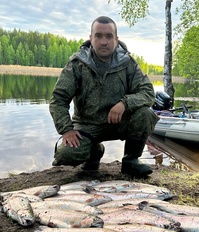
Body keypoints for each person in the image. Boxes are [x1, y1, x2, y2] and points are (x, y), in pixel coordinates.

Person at [49, 16, 159, 178]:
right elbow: (58, 99)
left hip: (119, 122)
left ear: (116, 39)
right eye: (98, 36)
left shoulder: (128, 63)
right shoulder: (77, 64)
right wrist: (66, 130)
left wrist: (124, 104)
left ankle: (130, 162)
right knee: (66, 155)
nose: (103, 41)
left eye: (108, 36)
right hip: (87, 125)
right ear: (91, 38)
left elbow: (148, 92)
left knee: (145, 114)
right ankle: (94, 152)